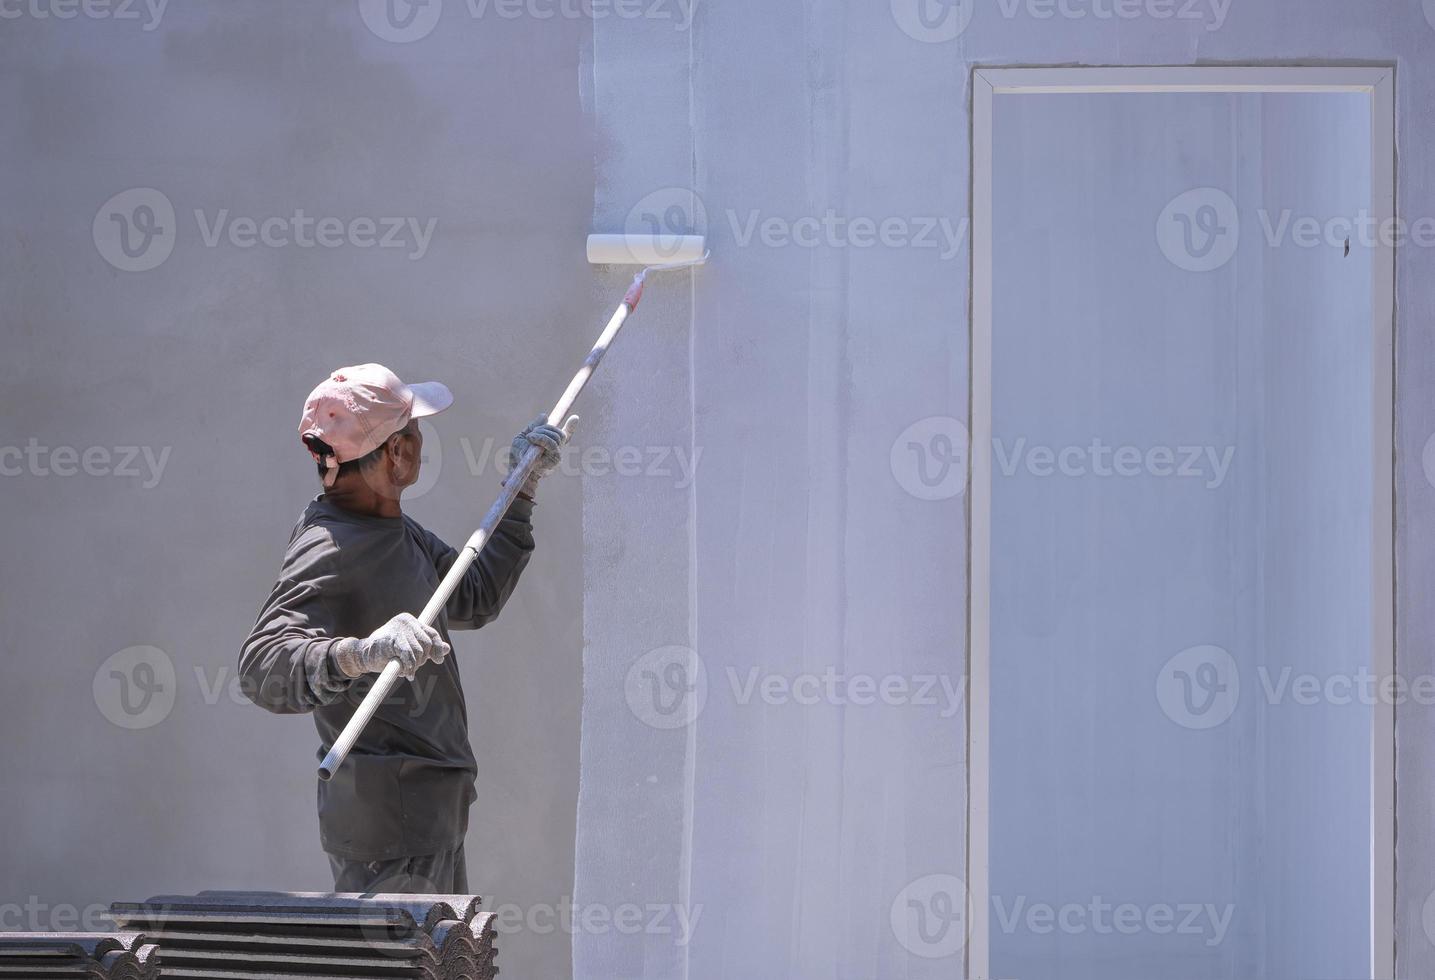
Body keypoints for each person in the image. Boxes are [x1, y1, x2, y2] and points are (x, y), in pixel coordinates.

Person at [239, 363, 567, 892]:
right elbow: (261, 667)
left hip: (423, 818)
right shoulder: (331, 544)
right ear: (396, 452)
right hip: (388, 836)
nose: (419, 443)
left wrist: (521, 489)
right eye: (414, 432)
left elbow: (474, 595)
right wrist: (360, 653)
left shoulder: (391, 529)